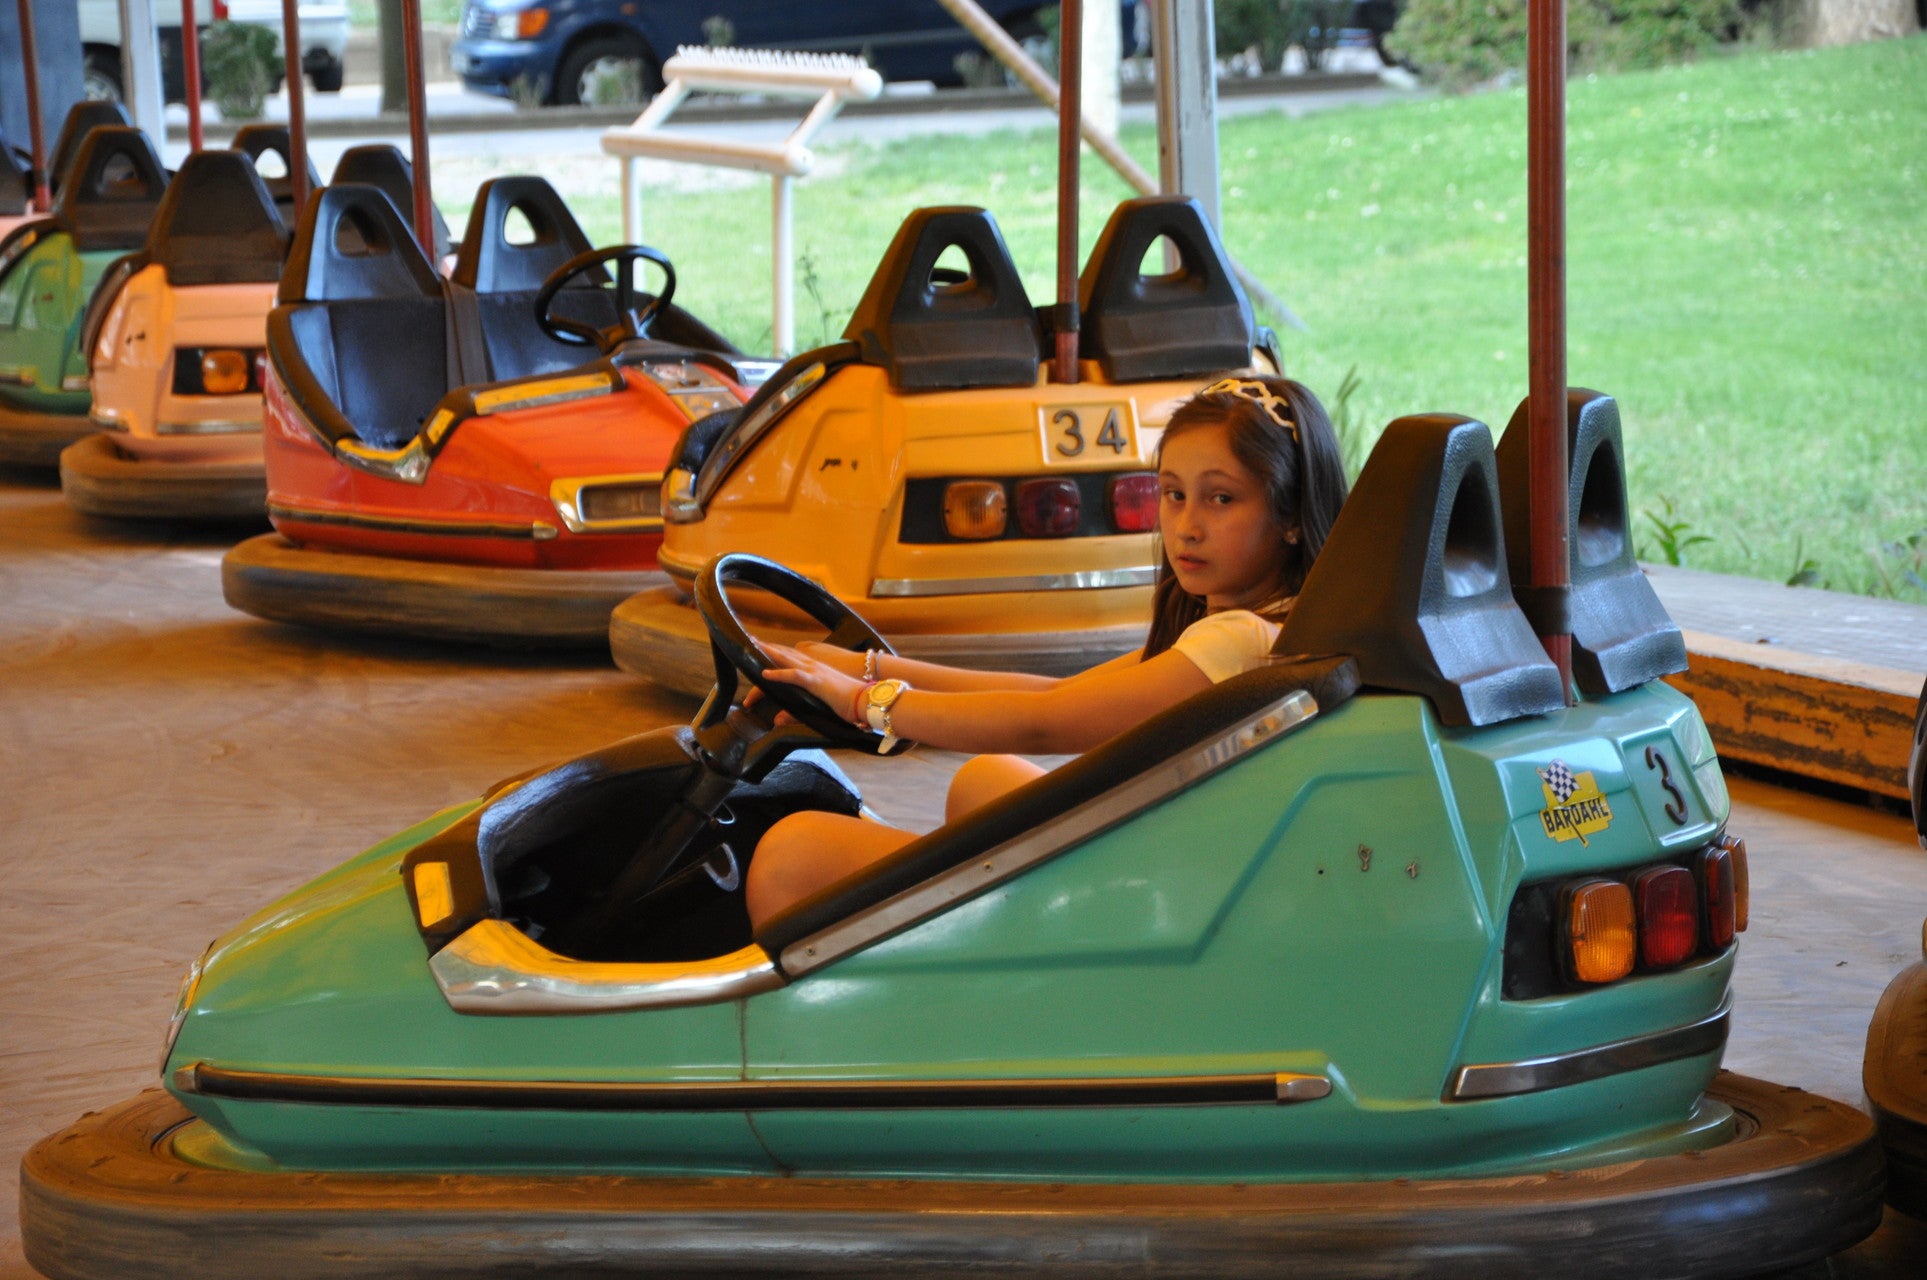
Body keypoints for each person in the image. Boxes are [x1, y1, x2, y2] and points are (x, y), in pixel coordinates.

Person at [744, 374, 1349, 928]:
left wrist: (862, 702)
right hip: (1180, 854)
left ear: (1290, 516)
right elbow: (1054, 693)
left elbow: (1044, 723)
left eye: (1221, 499)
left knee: (790, 857)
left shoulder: (1240, 641)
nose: (1187, 525)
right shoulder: (1268, 623)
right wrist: (872, 667)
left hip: (1160, 894)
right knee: (980, 780)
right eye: (1172, 494)